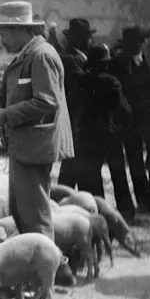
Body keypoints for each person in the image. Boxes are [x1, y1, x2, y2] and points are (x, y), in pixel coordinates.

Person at [0, 1, 73, 240]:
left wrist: (6, 115)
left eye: (5, 34)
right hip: (26, 144)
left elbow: (47, 101)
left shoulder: (41, 56)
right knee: (21, 209)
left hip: (36, 145)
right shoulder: (28, 55)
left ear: (20, 30)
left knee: (34, 213)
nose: (3, 41)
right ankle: (35, 265)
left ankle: (45, 270)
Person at [79, 44, 135, 214]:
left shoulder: (83, 81)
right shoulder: (112, 81)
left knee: (93, 175)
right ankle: (125, 210)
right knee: (118, 173)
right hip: (110, 133)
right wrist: (123, 128)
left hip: (89, 135)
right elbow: (125, 109)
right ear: (105, 63)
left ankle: (98, 210)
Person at [110, 25, 150, 217]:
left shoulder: (149, 62)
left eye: (138, 43)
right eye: (132, 44)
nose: (136, 47)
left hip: (149, 120)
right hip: (130, 122)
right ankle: (143, 199)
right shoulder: (117, 64)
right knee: (135, 161)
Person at [56, 19, 94, 190]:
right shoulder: (70, 59)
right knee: (73, 162)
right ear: (80, 39)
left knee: (78, 163)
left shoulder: (78, 57)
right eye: (88, 37)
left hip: (79, 119)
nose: (91, 41)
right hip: (77, 119)